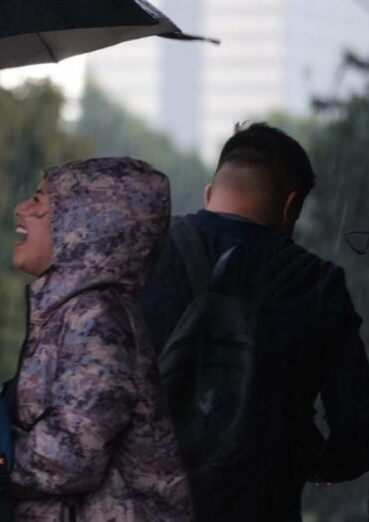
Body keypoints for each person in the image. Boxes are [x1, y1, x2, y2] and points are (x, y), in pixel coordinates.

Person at [139, 122, 369, 521]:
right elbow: (357, 432)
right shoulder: (317, 284)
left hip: (145, 506)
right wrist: (297, 462)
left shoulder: (144, 256)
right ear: (290, 206)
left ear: (210, 193)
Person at [8, 157, 193, 521]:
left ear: (83, 224)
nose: (21, 210)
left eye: (38, 201)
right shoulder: (73, 312)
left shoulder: (97, 318)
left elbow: (72, 455)